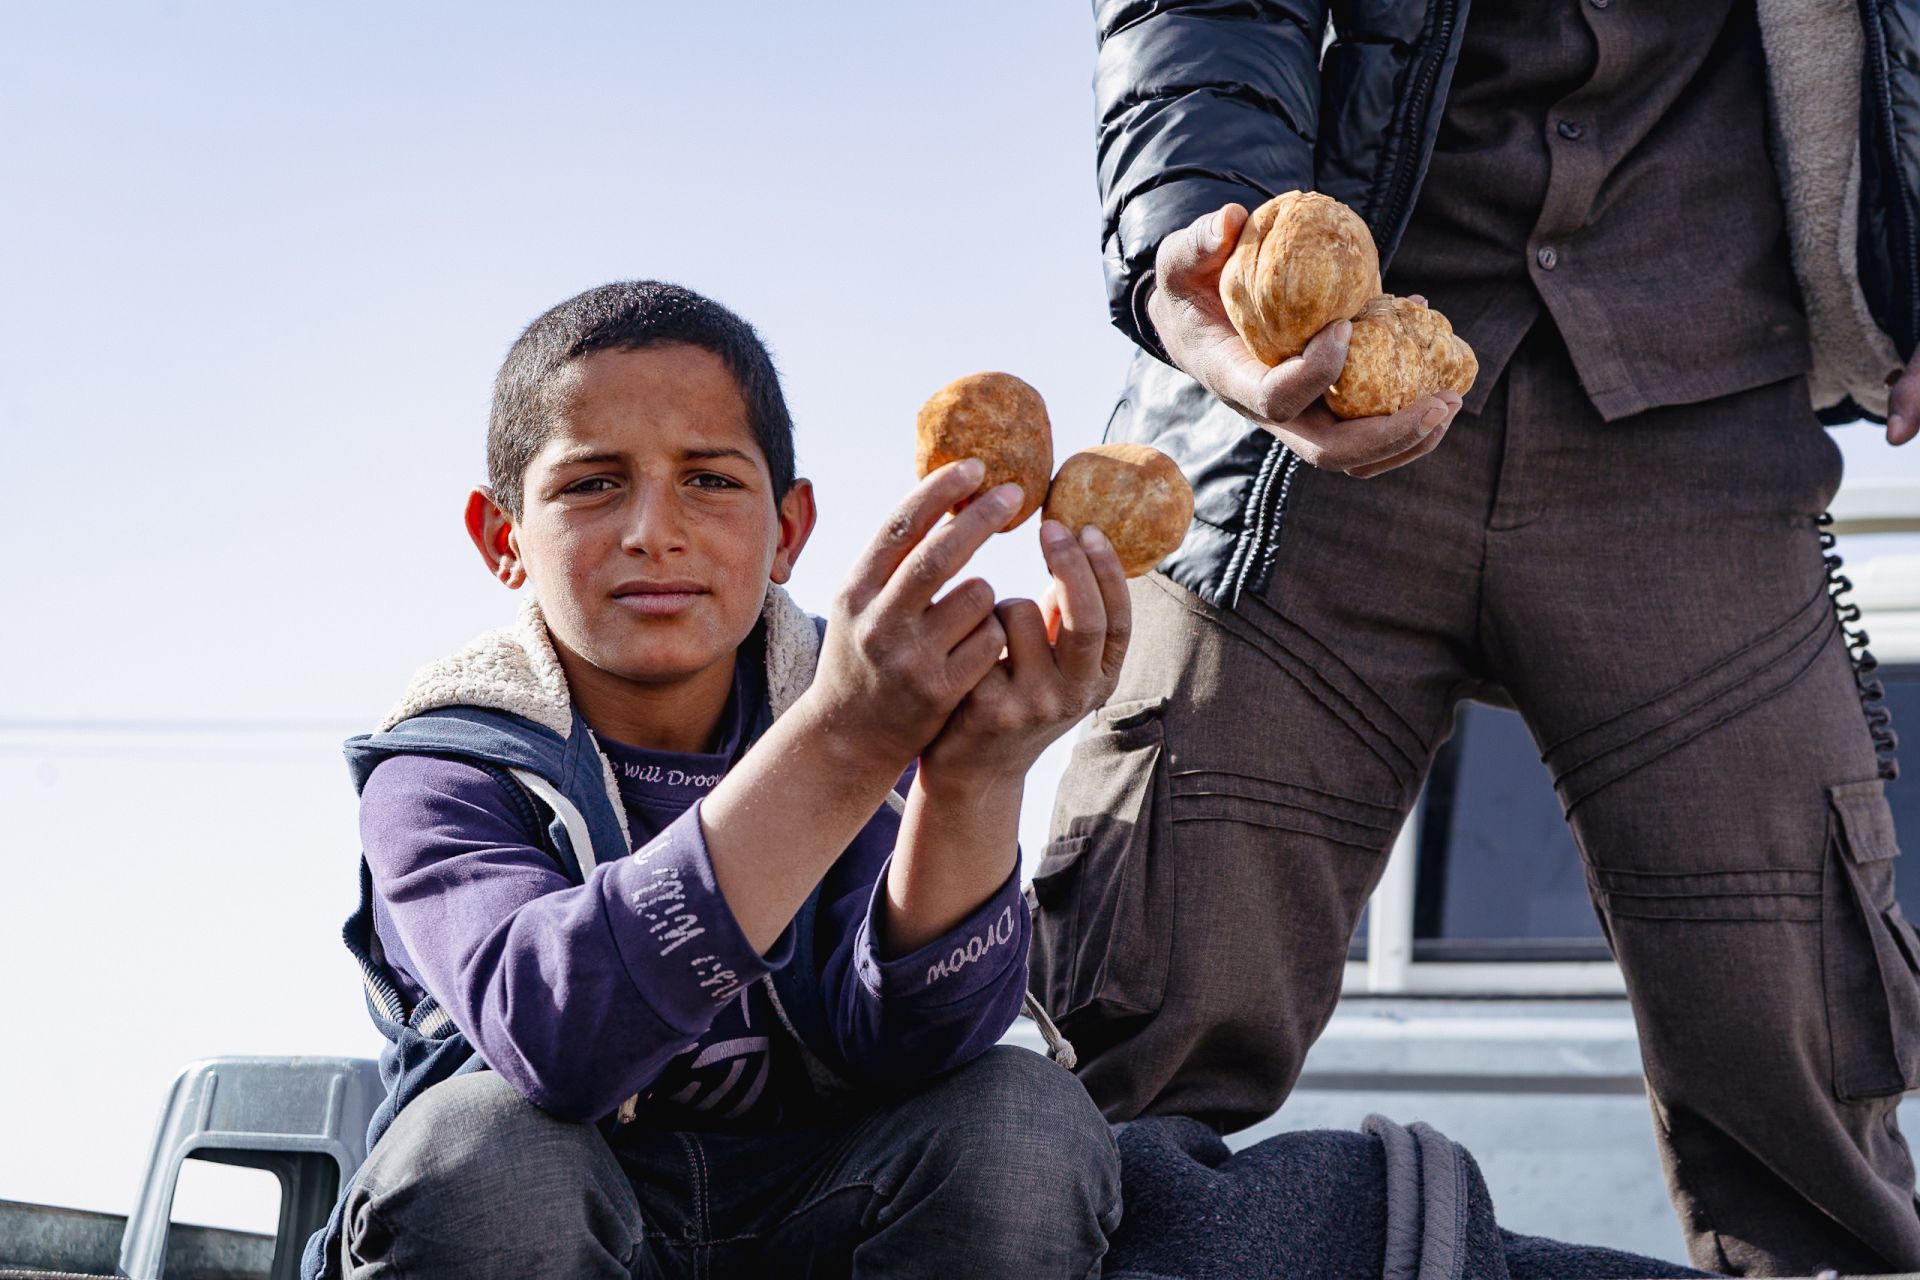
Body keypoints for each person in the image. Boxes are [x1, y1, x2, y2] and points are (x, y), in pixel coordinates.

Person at [1029, 1, 1920, 1274]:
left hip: (1709, 428)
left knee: (1813, 1118)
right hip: (1303, 429)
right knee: (1126, 1056)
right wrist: (1197, 234)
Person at [301, 280, 1127, 1279]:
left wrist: (975, 782)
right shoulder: (449, 765)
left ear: (789, 530)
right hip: (572, 1221)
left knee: (1024, 1117)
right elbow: (555, 1033)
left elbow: (921, 1045)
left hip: (819, 1208)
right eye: (592, 484)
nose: (655, 528)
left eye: (711, 480)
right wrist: (838, 747)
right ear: (502, 537)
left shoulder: (862, 704)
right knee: (487, 1152)